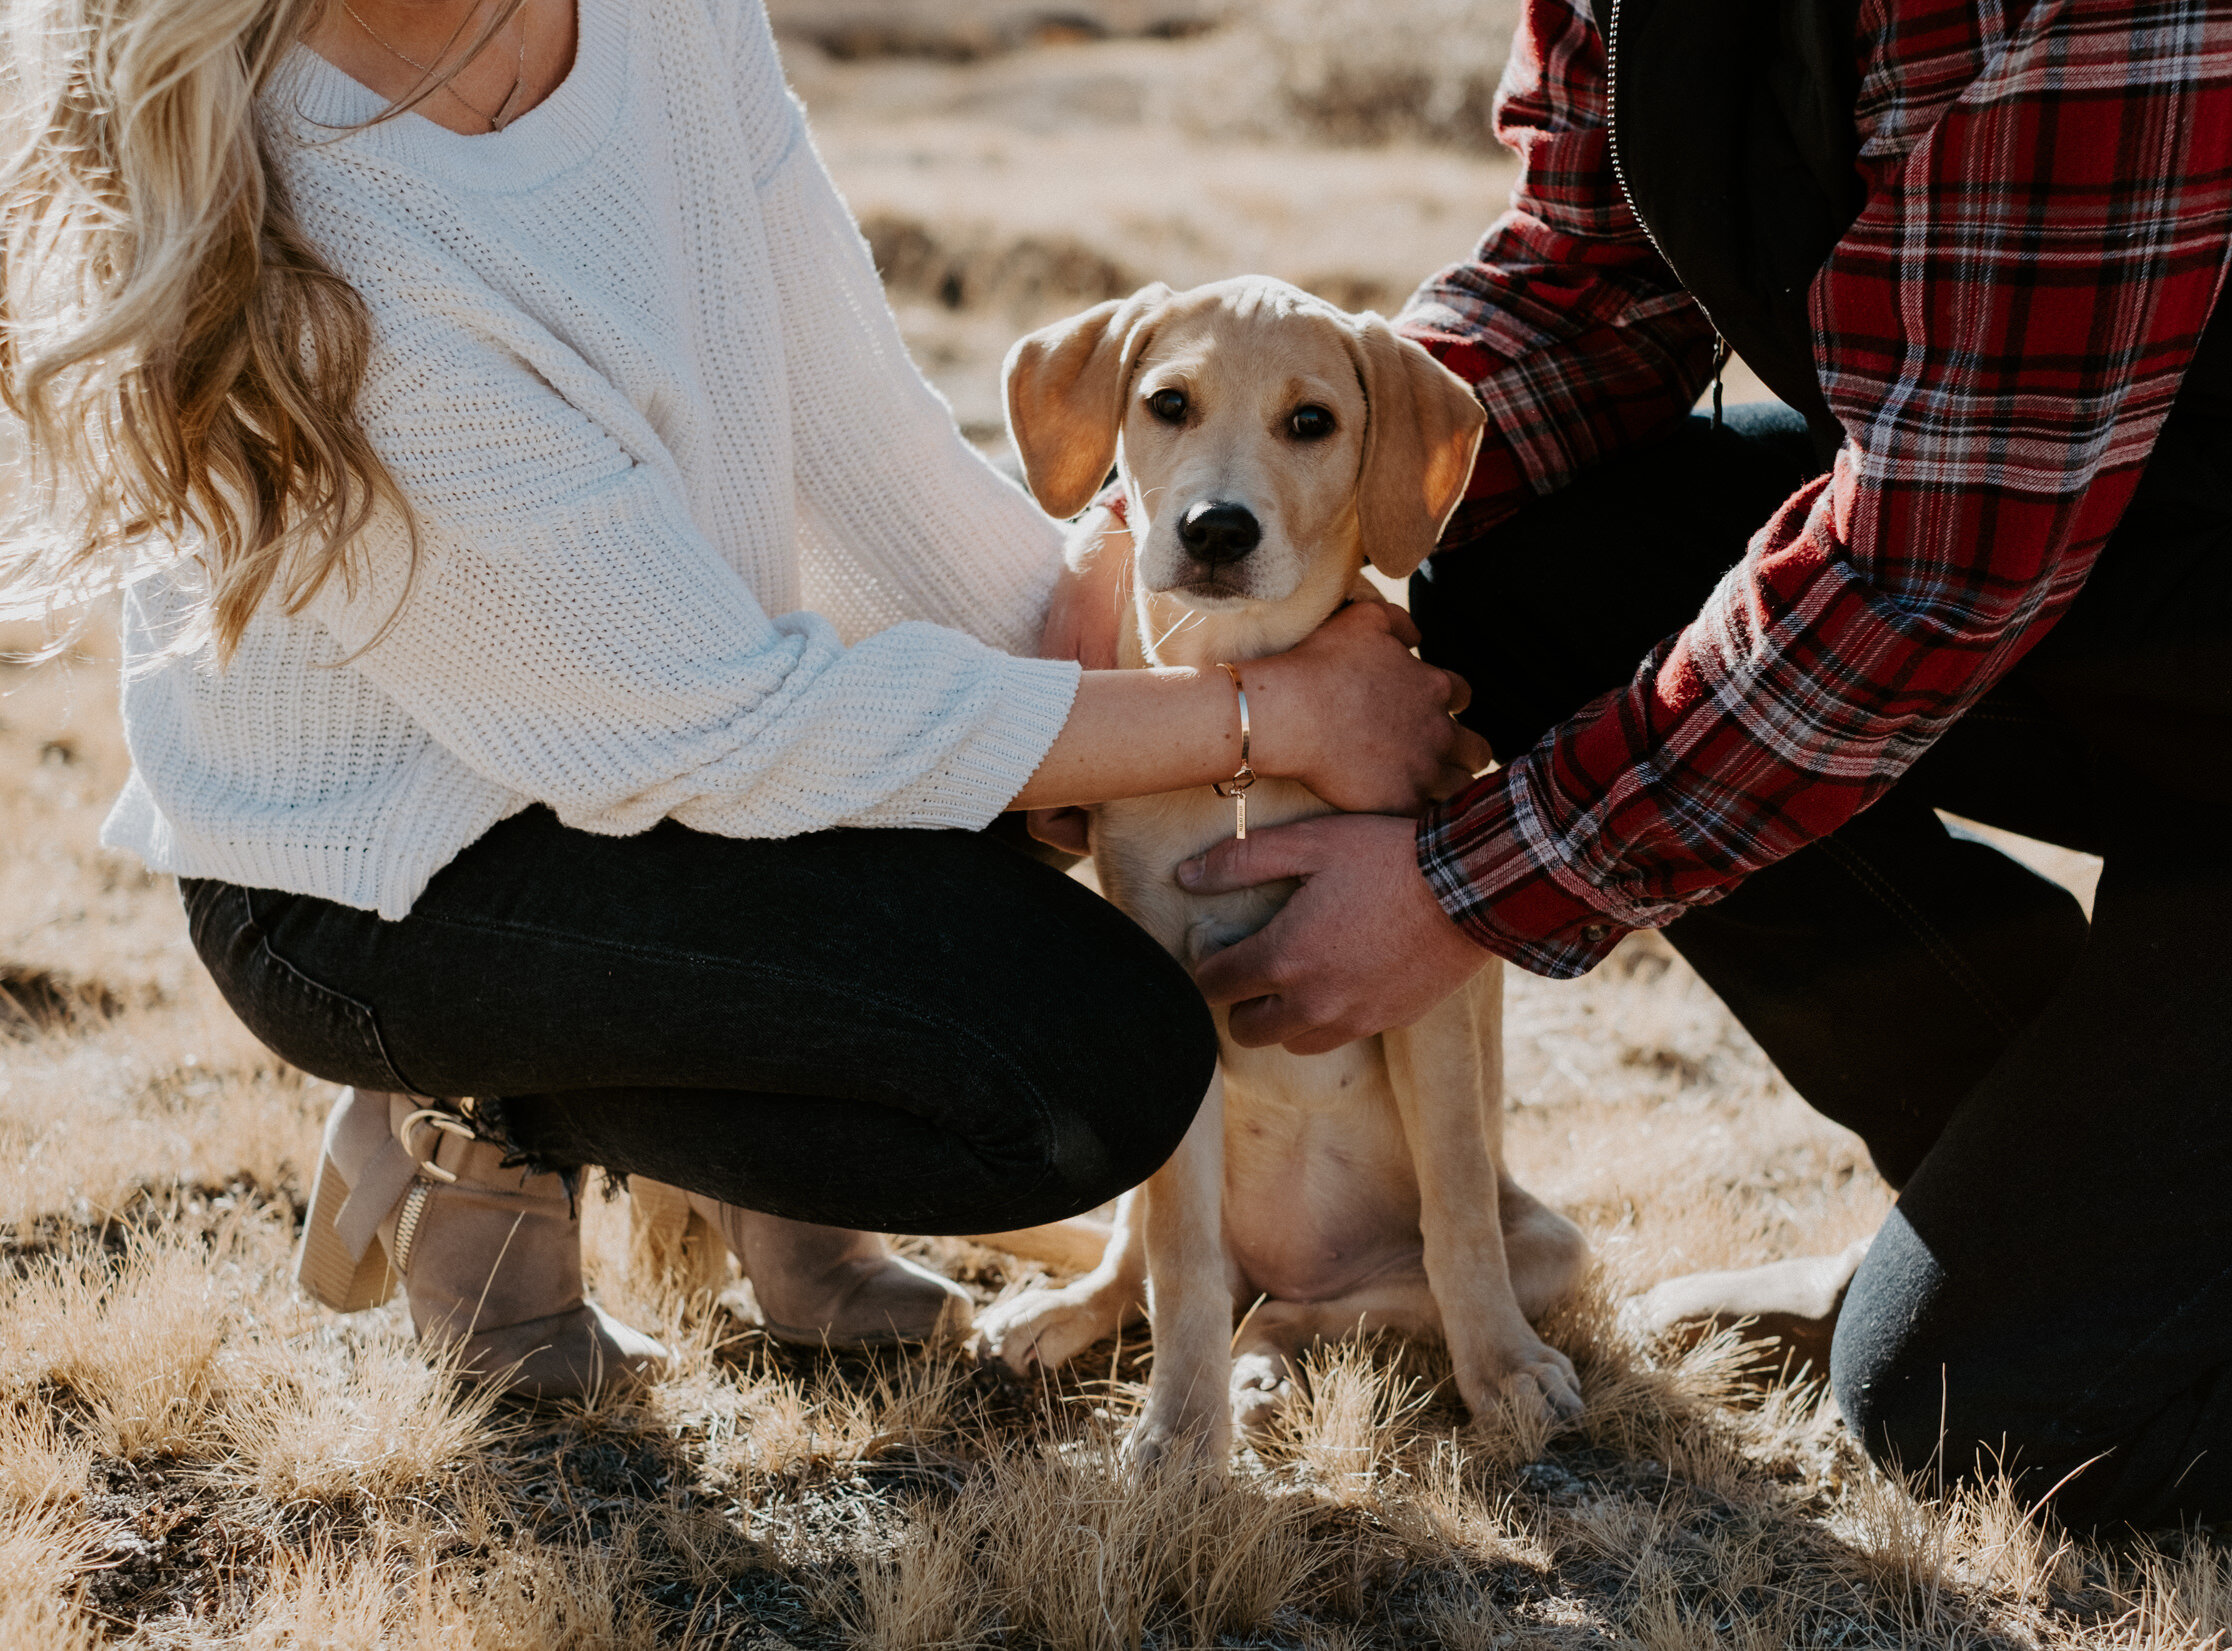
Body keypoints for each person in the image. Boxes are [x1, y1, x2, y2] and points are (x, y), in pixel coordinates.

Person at [0, 0, 1487, 1397]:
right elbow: (720, 734)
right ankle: (482, 1110)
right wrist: (1269, 722)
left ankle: (782, 1207)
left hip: (693, 756)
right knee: (1082, 1072)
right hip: (386, 876)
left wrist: (1103, 638)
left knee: (1018, 814)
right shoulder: (329, 219)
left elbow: (868, 452)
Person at [1171, 0, 2232, 1526]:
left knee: (1990, 1411)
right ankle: (2029, 1204)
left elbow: (1944, 561)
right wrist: (1284, 563)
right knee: (1530, 556)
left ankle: (2067, 1287)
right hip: (2209, 618)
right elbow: (1585, 292)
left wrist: (1462, 890)